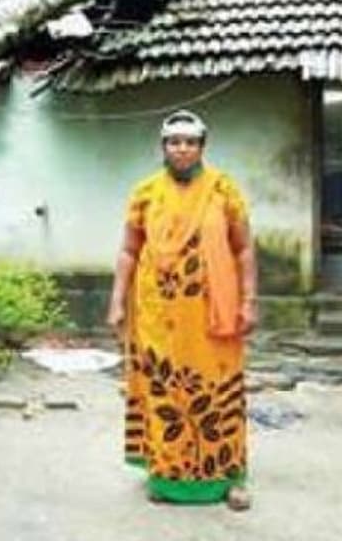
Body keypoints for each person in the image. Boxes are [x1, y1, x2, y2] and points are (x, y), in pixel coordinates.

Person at [105, 109, 258, 511]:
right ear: (164, 147)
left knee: (217, 394)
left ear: (202, 147)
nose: (183, 148)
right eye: (175, 142)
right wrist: (116, 300)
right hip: (157, 315)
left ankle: (230, 479)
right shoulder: (145, 193)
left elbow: (243, 250)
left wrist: (248, 300)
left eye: (190, 142)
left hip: (213, 317)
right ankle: (165, 478)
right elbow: (128, 250)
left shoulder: (224, 191)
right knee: (165, 392)